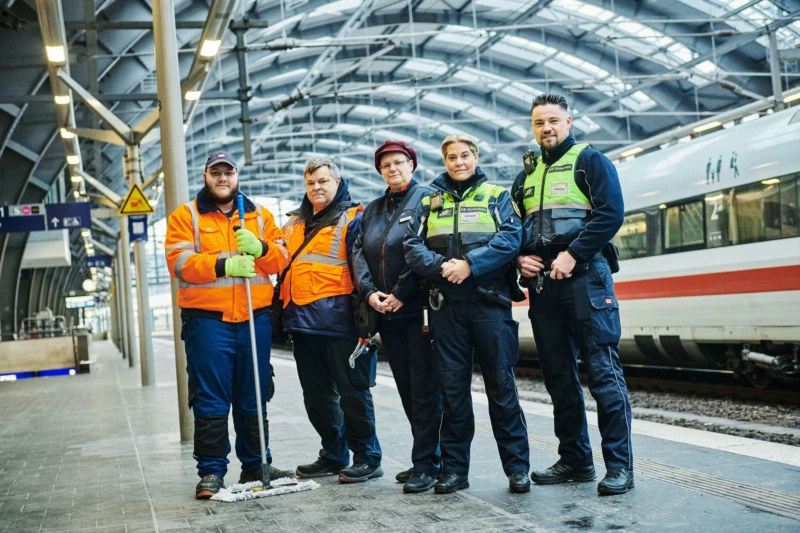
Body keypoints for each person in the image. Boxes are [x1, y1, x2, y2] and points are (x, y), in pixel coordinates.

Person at [511, 93, 633, 495]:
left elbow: (610, 213)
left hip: (585, 278)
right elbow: (512, 230)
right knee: (558, 377)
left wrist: (574, 253)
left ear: (568, 121)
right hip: (544, 285)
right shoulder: (524, 177)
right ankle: (576, 460)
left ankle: (619, 467)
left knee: (602, 372)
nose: (545, 128)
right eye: (538, 123)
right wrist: (520, 259)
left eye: (552, 121)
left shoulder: (589, 160)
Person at [404, 133, 530, 495]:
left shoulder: (497, 196)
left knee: (502, 389)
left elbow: (510, 238)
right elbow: (412, 246)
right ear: (444, 162)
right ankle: (455, 471)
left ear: (476, 157)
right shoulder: (430, 202)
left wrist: (470, 266)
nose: (459, 162)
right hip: (447, 310)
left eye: (464, 156)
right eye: (452, 158)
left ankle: (517, 469)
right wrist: (445, 267)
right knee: (453, 393)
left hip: (490, 306)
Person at [164, 152, 295, 499]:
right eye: (216, 173)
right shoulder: (186, 215)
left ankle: (256, 464)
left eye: (229, 172)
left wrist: (261, 247)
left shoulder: (259, 216)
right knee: (211, 398)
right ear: (206, 176)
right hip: (208, 323)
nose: (223, 178)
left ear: (236, 176)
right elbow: (178, 262)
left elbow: (282, 256)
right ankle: (211, 472)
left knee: (254, 392)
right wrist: (225, 265)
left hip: (255, 318)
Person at [280, 158, 383, 483]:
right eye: (311, 183)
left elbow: (362, 269)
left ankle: (367, 457)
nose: (317, 188)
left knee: (353, 393)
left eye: (323, 181)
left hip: (341, 322)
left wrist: (365, 323)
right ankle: (334, 454)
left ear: (338, 182)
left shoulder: (354, 217)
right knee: (316, 396)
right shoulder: (294, 224)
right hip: (302, 323)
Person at [353, 140, 442, 493]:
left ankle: (428, 462)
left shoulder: (428, 199)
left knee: (424, 388)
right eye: (385, 164)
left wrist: (399, 294)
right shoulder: (373, 209)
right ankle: (426, 458)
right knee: (406, 388)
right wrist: (370, 292)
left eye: (399, 162)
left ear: (412, 165)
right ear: (379, 170)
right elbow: (358, 252)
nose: (392, 168)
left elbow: (427, 250)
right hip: (387, 313)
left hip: (418, 309)